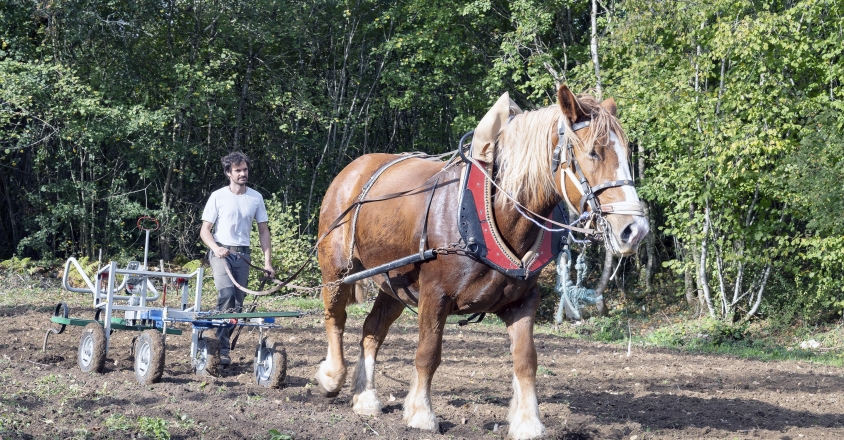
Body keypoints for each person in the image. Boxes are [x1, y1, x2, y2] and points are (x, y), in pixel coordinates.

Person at [200, 152, 274, 366]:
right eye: (238, 170)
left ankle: (218, 337)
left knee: (238, 305)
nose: (243, 174)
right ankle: (221, 348)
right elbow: (205, 230)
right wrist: (216, 248)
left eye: (245, 170)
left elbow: (263, 231)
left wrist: (267, 262)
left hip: (243, 255)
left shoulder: (255, 197)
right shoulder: (218, 196)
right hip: (221, 253)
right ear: (228, 173)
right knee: (227, 296)